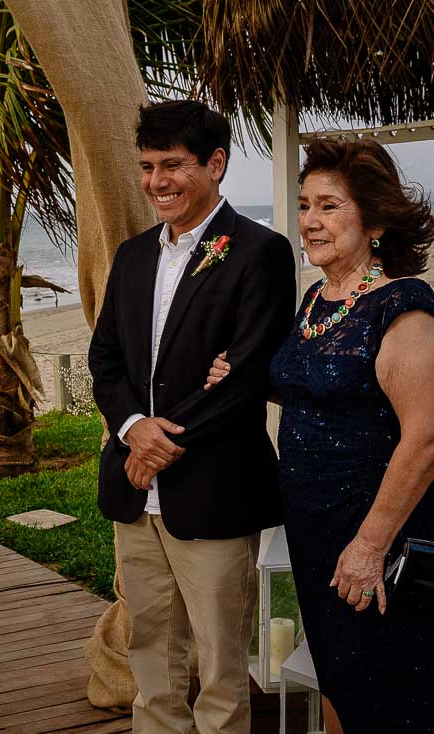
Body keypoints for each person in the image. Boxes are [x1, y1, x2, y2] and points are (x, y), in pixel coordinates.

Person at [205, 138, 434, 734]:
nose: (309, 221)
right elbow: (322, 386)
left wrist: (369, 548)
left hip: (378, 540)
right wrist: (249, 377)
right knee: (337, 676)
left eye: (330, 206)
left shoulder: (404, 309)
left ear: (376, 221)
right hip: (315, 534)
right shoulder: (317, 300)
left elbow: (427, 439)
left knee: (390, 694)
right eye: (305, 205)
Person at [88, 100, 296, 734]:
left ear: (216, 164)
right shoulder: (131, 256)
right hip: (135, 489)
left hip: (214, 490)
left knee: (221, 668)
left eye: (173, 165)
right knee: (151, 655)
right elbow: (106, 359)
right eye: (148, 167)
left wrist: (160, 443)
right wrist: (132, 431)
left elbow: (248, 374)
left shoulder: (261, 252)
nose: (158, 182)